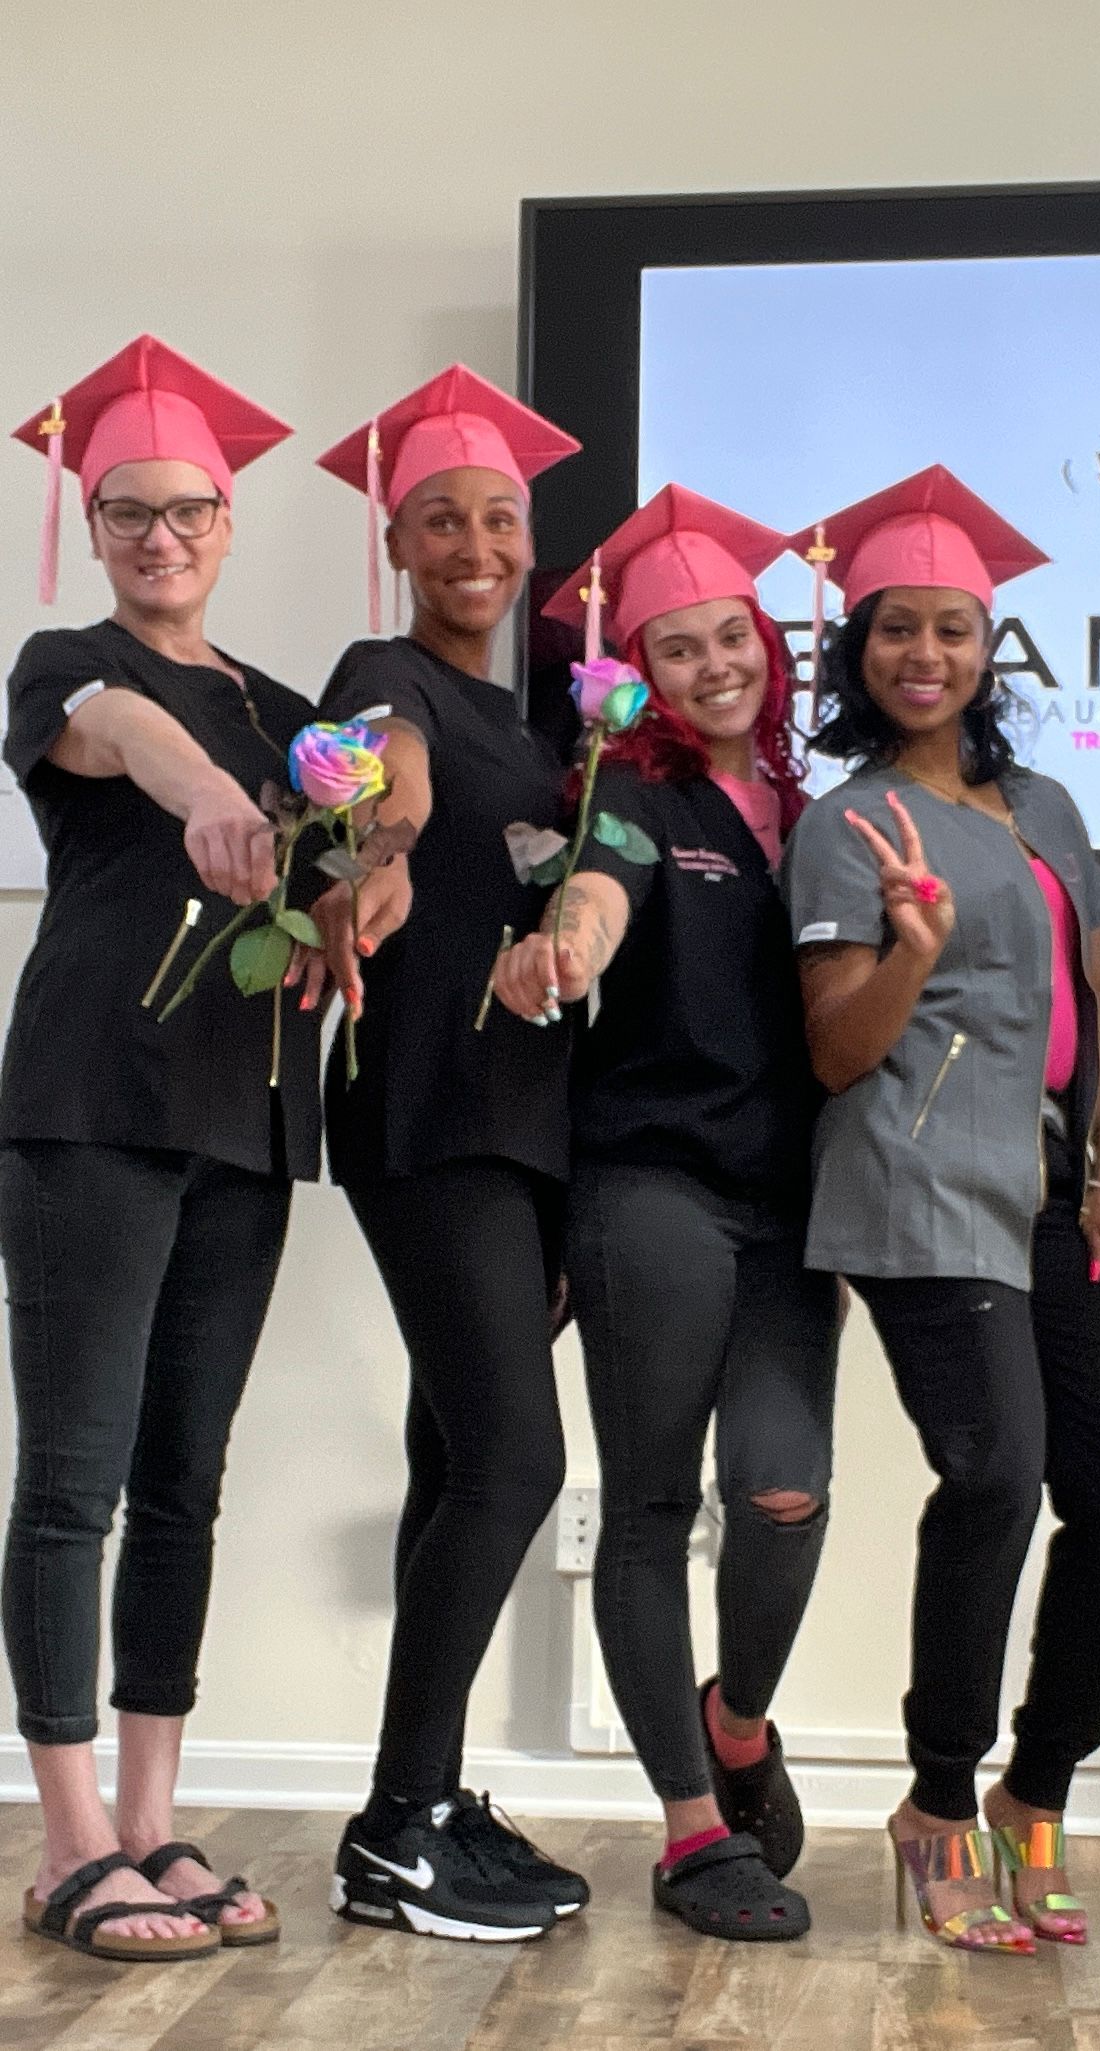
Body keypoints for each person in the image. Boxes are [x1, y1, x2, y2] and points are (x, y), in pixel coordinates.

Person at [783, 466, 1100, 1955]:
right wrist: (910, 946)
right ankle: (938, 1803)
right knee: (1000, 1477)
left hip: (1055, 1191)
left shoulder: (1046, 802)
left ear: (988, 646)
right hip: (922, 1190)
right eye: (895, 630)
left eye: (951, 627)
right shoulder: (848, 825)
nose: (924, 653)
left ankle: (1034, 1796)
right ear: (860, 652)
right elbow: (836, 1050)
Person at [2, 337, 309, 1960]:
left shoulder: (289, 708)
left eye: (187, 509)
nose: (161, 536)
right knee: (75, 1482)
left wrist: (364, 879)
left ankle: (148, 1824)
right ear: (94, 523)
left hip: (246, 1123)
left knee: (184, 1485)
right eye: (128, 510)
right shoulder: (65, 666)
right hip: (91, 1112)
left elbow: (364, 821)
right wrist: (211, 802)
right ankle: (61, 1843)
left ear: (227, 518)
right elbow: (132, 735)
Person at [493, 486, 836, 1943]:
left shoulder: (820, 815)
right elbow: (600, 895)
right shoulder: (626, 796)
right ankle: (695, 1834)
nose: (714, 667)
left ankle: (737, 1721)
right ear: (641, 669)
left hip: (796, 1210)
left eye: (731, 638)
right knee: (648, 1503)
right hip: (652, 1190)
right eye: (678, 648)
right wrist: (561, 947)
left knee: (784, 1488)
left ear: (767, 641)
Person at [312, 365, 590, 1943]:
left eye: (498, 517)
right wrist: (381, 836)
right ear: (401, 541)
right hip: (431, 1117)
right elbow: (369, 765)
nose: (476, 542)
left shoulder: (536, 721)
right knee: (514, 1463)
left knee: (449, 1466)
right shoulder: (384, 670)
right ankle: (397, 1829)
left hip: (524, 1131)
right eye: (442, 519)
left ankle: (423, 1796)